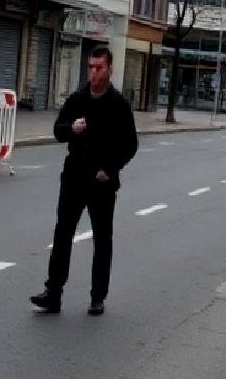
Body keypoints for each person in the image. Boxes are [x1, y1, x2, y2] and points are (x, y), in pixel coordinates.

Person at [30, 46, 139, 316]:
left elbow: (131, 144)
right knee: (62, 233)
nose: (93, 72)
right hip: (74, 177)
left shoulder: (118, 104)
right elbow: (58, 131)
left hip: (102, 182)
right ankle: (53, 292)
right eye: (90, 67)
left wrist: (111, 169)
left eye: (99, 67)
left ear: (110, 69)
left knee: (102, 239)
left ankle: (97, 296)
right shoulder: (78, 98)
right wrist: (72, 129)